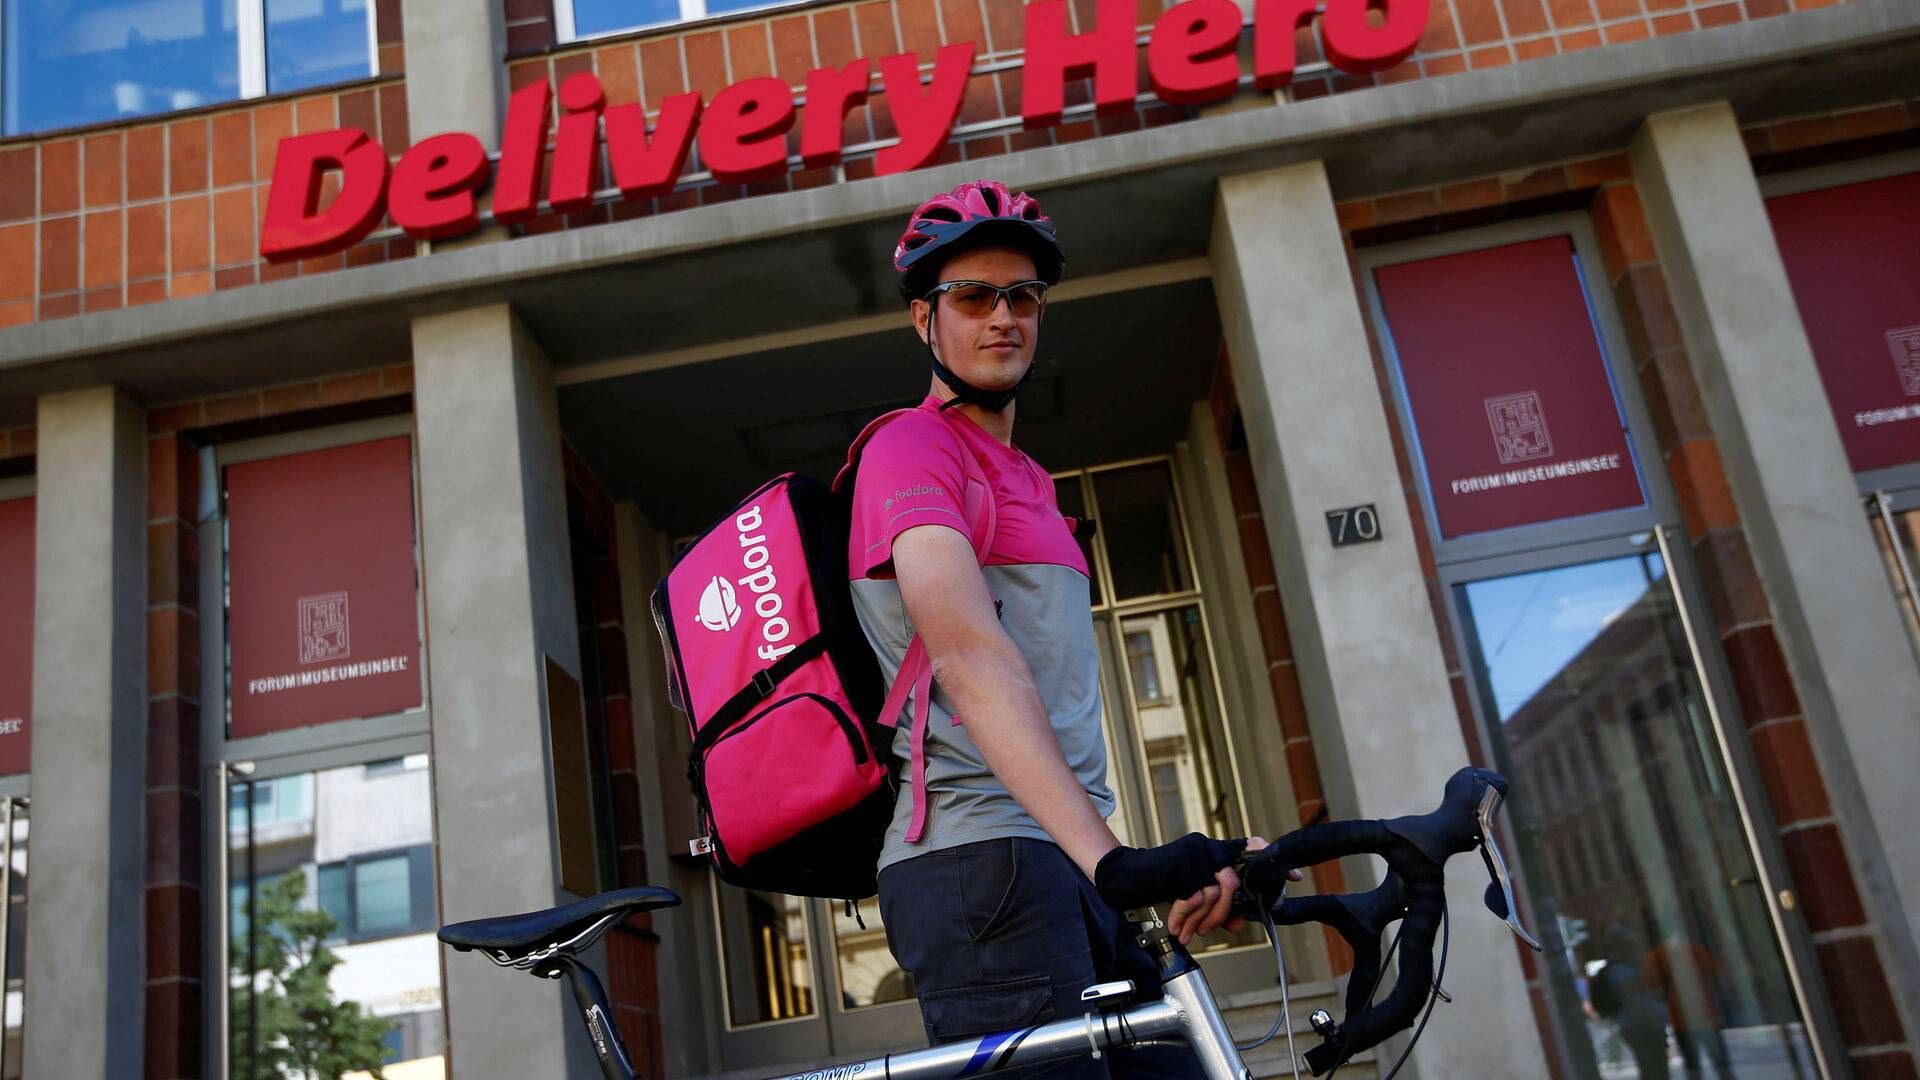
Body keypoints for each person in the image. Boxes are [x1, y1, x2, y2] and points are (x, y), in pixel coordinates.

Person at [848, 179, 1269, 1079]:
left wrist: (1164, 863)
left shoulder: (1030, 479)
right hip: (980, 865)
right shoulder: (911, 451)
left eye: (1023, 296)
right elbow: (968, 656)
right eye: (972, 296)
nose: (1003, 317)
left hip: (1064, 859)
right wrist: (1112, 861)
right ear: (925, 318)